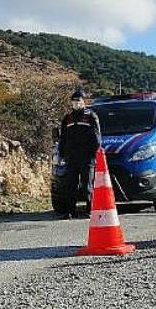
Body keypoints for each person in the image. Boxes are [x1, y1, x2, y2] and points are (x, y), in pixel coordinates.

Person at [58, 90, 102, 219]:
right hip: (71, 157)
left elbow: (96, 137)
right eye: (74, 101)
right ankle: (70, 211)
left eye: (78, 100)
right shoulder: (68, 118)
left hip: (87, 157)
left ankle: (90, 210)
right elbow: (63, 138)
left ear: (84, 101)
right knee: (70, 185)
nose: (76, 103)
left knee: (87, 185)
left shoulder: (91, 116)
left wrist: (95, 153)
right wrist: (62, 154)